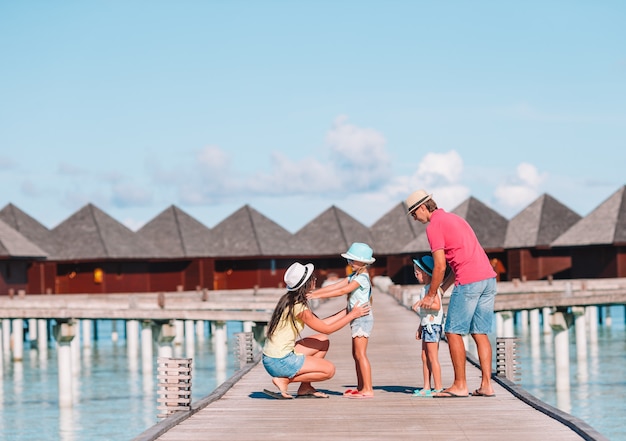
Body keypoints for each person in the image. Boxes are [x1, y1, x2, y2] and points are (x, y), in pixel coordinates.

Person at [406, 189, 497, 398]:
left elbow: (439, 266)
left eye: (413, 214)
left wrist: (429, 295)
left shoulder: (434, 226)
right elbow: (458, 261)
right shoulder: (455, 219)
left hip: (470, 281)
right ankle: (486, 385)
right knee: (479, 332)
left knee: (453, 331)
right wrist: (440, 290)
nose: (414, 218)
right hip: (488, 280)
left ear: (422, 207)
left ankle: (460, 385)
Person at [262, 261, 371, 399]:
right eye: (312, 278)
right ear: (307, 284)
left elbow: (322, 325)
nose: (315, 280)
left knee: (322, 340)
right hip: (280, 361)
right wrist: (352, 315)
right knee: (329, 370)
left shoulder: (290, 300)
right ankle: (284, 380)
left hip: (273, 357)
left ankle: (305, 387)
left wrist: (348, 311)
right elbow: (328, 328)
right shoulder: (299, 307)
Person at [308, 242, 375, 399]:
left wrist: (317, 296)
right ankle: (361, 387)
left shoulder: (363, 278)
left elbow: (343, 290)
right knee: (355, 354)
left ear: (363, 262)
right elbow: (336, 285)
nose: (349, 263)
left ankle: (368, 389)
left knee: (361, 354)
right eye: (349, 260)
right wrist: (314, 292)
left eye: (352, 260)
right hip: (357, 317)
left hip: (362, 318)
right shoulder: (354, 276)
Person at [411, 255, 444, 397]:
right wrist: (420, 327)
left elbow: (437, 306)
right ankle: (426, 387)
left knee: (432, 357)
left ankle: (438, 387)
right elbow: (424, 313)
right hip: (426, 325)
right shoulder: (424, 289)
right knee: (424, 356)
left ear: (425, 273)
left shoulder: (432, 288)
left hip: (433, 326)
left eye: (417, 273)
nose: (415, 276)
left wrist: (421, 303)